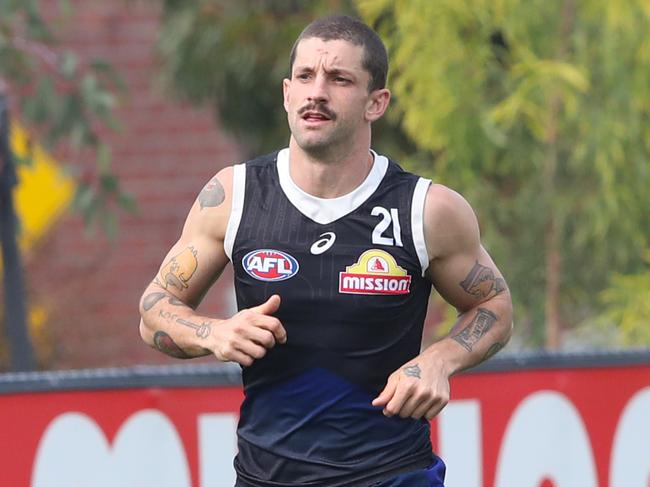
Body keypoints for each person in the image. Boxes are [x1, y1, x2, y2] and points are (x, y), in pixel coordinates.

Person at [139, 14, 513, 487]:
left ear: (376, 102)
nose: (317, 92)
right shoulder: (233, 196)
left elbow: (494, 306)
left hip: (392, 475)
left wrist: (441, 361)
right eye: (305, 77)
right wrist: (214, 333)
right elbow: (154, 312)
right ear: (286, 94)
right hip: (265, 477)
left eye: (339, 79)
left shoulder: (427, 209)